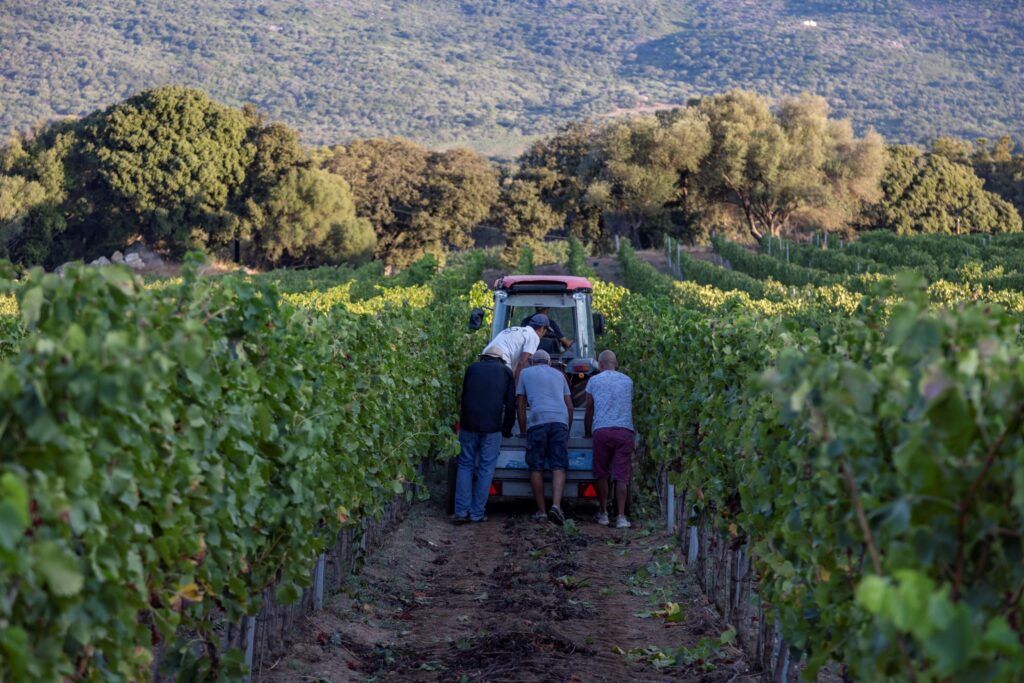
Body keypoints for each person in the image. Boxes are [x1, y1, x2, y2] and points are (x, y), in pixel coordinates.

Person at [453, 346, 516, 524]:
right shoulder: (506, 372)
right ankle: (476, 513)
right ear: (500, 359)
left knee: (465, 465)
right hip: (492, 426)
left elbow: (464, 396)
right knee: (486, 468)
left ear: (483, 357)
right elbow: (510, 405)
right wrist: (507, 428)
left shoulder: (471, 369)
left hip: (468, 424)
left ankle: (460, 512)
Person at [516, 349, 573, 526]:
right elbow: (570, 406)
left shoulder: (525, 373)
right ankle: (556, 506)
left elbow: (521, 405)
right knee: (559, 466)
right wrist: (567, 429)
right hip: (559, 421)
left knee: (536, 467)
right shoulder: (560, 374)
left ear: (532, 362)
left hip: (538, 421)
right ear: (549, 363)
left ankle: (541, 511)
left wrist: (524, 430)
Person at [584, 350, 635, 529]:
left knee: (602, 473)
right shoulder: (628, 381)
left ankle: (603, 513)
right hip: (624, 431)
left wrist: (587, 431)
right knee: (622, 476)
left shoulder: (593, 381)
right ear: (616, 363)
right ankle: (621, 517)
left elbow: (589, 409)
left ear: (600, 365)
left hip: (602, 431)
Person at [486, 314, 549, 385]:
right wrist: (515, 388)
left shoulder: (515, 329)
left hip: (485, 356)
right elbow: (522, 363)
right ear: (541, 328)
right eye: (545, 331)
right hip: (501, 360)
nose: (544, 334)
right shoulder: (534, 336)